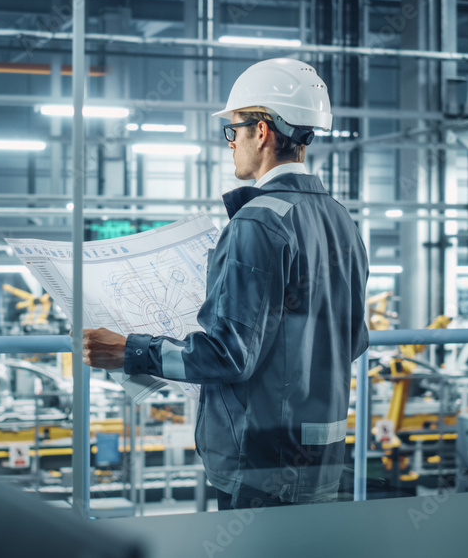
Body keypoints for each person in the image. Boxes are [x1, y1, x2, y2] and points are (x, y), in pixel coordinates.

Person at [82, 58, 369, 509]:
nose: (230, 143)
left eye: (233, 130)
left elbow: (230, 356)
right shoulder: (339, 218)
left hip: (260, 461)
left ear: (262, 131)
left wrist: (130, 351)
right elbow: (353, 339)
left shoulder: (257, 222)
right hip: (322, 452)